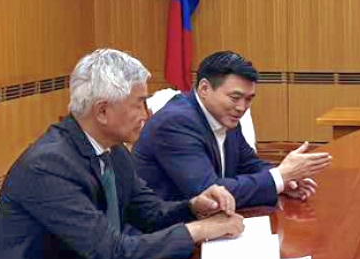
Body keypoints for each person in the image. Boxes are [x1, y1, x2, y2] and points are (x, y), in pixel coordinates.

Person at [0, 49, 245, 259]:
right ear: (103, 111)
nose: (147, 113)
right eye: (139, 103)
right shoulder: (48, 166)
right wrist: (200, 230)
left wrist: (195, 207)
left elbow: (149, 214)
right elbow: (113, 254)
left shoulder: (113, 151)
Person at [134, 51, 331, 208]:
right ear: (204, 88)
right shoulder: (176, 122)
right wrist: (279, 177)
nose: (242, 107)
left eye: (249, 99)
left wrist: (285, 182)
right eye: (235, 98)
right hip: (165, 232)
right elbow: (209, 192)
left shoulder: (224, 116)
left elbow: (249, 164)